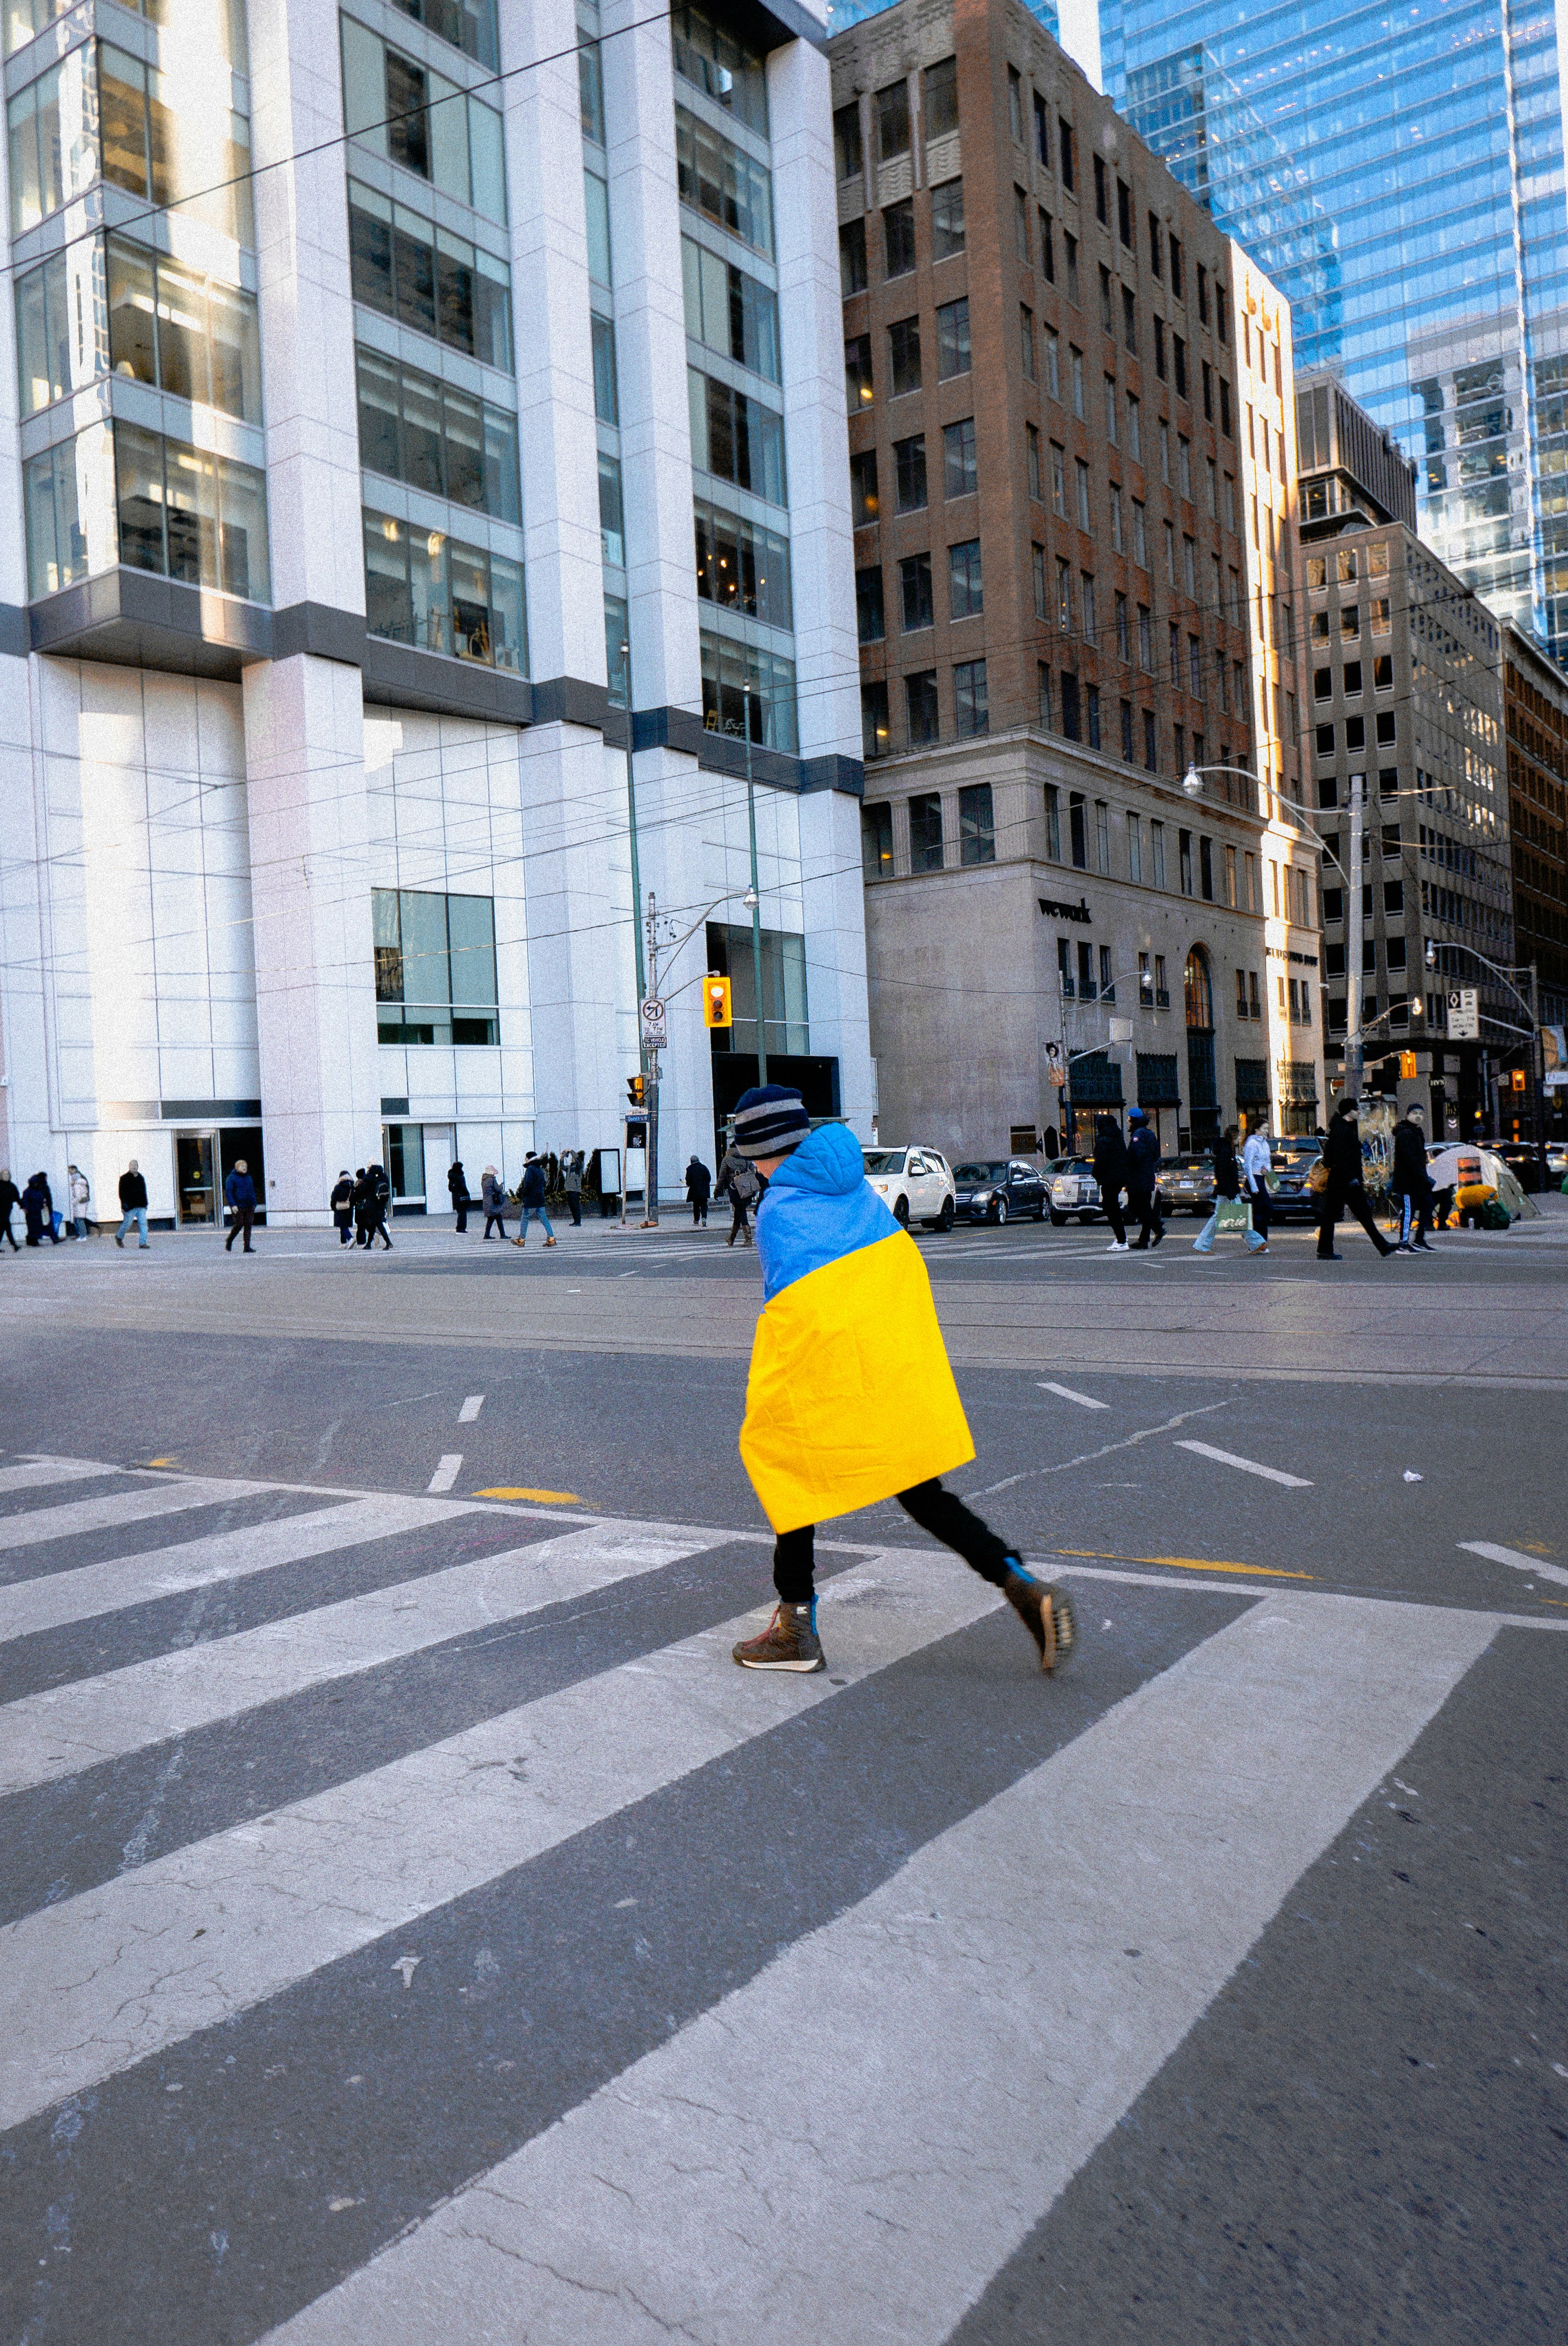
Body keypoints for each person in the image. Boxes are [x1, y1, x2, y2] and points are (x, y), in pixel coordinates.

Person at [727, 1084, 1077, 1677]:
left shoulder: (780, 1208)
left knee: (787, 1463)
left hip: (837, 1357)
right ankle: (1020, 1582)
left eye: (749, 1153)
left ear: (764, 1149)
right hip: (888, 1350)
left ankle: (796, 1628)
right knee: (919, 1488)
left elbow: (792, 1309)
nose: (750, 1165)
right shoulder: (852, 1182)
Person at [1317, 1097, 1397, 1261]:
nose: (1360, 1112)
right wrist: (1352, 1178)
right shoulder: (1341, 1130)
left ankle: (1382, 1246)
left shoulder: (1347, 1127)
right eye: (1357, 1109)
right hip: (1343, 1181)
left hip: (1346, 1180)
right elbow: (1340, 1157)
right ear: (1349, 1112)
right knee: (1334, 1215)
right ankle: (1325, 1250)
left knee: (1361, 1214)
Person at [1191, 1125, 1263, 1254]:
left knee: (1223, 1217)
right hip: (1228, 1191)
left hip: (1227, 1191)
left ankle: (1202, 1244)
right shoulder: (1226, 1152)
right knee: (1239, 1217)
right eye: (1239, 1135)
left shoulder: (1227, 1150)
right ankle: (1256, 1243)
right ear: (1233, 1136)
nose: (1240, 1138)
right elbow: (1222, 1173)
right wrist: (1230, 1190)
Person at [1390, 1103, 1435, 1253]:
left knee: (1428, 1205)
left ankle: (1419, 1239)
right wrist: (1424, 1178)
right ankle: (1403, 1243)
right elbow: (1410, 1160)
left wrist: (1424, 1178)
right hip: (1407, 1182)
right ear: (1408, 1114)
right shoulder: (1405, 1134)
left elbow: (1418, 1160)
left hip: (1418, 1181)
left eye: (1421, 1114)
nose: (1418, 1116)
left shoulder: (1416, 1132)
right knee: (1409, 1211)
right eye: (1415, 1113)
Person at [1125, 1108, 1163, 1249]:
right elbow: (1156, 1157)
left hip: (1137, 1177)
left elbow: (1136, 1155)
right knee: (1145, 1207)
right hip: (1148, 1176)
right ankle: (1143, 1240)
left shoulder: (1138, 1134)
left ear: (1133, 1120)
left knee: (1135, 1207)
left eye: (1129, 1119)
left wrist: (1127, 1162)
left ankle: (1158, 1227)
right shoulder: (1150, 1134)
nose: (1128, 1122)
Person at [1091, 1115, 1129, 1250]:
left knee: (1110, 1207)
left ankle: (1121, 1240)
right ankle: (1121, 1237)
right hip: (1119, 1177)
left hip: (1108, 1178)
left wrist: (1096, 1174)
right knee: (1111, 1207)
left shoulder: (1103, 1140)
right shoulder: (1119, 1138)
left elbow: (1100, 1162)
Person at [715, 1141, 760, 1246]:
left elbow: (722, 1176)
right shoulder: (746, 1158)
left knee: (741, 1212)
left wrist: (717, 1190)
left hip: (734, 1189)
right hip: (746, 1188)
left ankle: (748, 1239)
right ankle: (731, 1238)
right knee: (739, 1213)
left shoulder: (727, 1159)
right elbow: (753, 1171)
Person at [1240, 1126, 1273, 1255]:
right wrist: (1253, 1186)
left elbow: (1268, 1162)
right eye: (1264, 1128)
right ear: (1256, 1130)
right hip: (1254, 1179)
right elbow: (1247, 1165)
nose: (1267, 1130)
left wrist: (1267, 1170)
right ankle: (1255, 1241)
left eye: (1267, 1128)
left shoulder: (1265, 1143)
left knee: (1263, 1210)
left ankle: (1259, 1242)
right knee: (1265, 1208)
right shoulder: (1252, 1143)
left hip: (1262, 1178)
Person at [513, 1152, 557, 1247]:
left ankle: (521, 1239)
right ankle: (551, 1238)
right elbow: (544, 1184)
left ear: (529, 1159)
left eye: (526, 1158)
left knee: (525, 1219)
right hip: (540, 1199)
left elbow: (528, 1184)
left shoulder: (530, 1169)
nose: (525, 1159)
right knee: (544, 1219)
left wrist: (523, 1194)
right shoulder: (539, 1169)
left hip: (531, 1200)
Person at [223, 1157, 257, 1253]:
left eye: (246, 1166)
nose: (245, 1168)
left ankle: (247, 1247)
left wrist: (254, 1203)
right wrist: (233, 1205)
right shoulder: (232, 1178)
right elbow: (229, 1192)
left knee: (248, 1225)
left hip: (249, 1205)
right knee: (239, 1224)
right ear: (238, 1167)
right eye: (243, 1166)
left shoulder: (248, 1177)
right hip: (238, 1206)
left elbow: (252, 1191)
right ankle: (229, 1240)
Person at [115, 1160, 149, 1248]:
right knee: (127, 1224)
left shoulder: (141, 1178)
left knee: (144, 1224)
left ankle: (143, 1243)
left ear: (138, 1166)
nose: (134, 1167)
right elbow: (122, 1193)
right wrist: (124, 1205)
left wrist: (146, 1204)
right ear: (129, 1166)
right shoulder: (124, 1178)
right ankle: (119, 1237)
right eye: (132, 1165)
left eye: (135, 1165)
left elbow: (144, 1192)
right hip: (130, 1207)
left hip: (141, 1206)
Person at [361, 1162, 393, 1249]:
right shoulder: (384, 1177)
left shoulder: (368, 1179)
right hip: (381, 1203)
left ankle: (388, 1242)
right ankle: (368, 1244)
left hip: (372, 1205)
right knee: (373, 1224)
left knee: (378, 1224)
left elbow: (363, 1191)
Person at [22, 1172, 53, 1246]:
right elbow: (25, 1201)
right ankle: (33, 1241)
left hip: (38, 1211)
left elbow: (42, 1199)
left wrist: (44, 1204)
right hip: (32, 1211)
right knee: (32, 1227)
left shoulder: (37, 1191)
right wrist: (26, 1208)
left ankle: (32, 1241)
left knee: (36, 1226)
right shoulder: (28, 1191)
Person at [480, 1165, 509, 1241]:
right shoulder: (492, 1180)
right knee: (498, 1217)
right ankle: (502, 1235)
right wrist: (501, 1186)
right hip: (493, 1202)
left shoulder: (484, 1180)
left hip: (487, 1202)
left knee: (491, 1219)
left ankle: (487, 1235)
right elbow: (498, 1189)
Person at [685, 1153, 712, 1228]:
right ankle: (704, 1218)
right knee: (704, 1204)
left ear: (691, 1161)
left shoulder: (690, 1169)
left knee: (696, 1205)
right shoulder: (704, 1167)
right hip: (704, 1190)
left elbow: (688, 1182)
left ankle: (696, 1220)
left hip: (694, 1191)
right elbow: (709, 1178)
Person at [331, 1169, 355, 1244]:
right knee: (344, 1225)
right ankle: (343, 1243)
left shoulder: (339, 1186)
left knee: (342, 1225)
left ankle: (350, 1238)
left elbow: (334, 1197)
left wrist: (333, 1207)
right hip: (349, 1208)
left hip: (340, 1208)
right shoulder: (352, 1187)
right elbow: (354, 1198)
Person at [66, 1164, 90, 1238]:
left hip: (80, 1202)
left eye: (70, 1171)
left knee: (79, 1219)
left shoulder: (78, 1182)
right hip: (82, 1201)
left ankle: (83, 1235)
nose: (69, 1173)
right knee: (78, 1219)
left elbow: (78, 1194)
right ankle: (81, 1234)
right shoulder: (79, 1180)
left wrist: (75, 1201)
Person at [447, 1159, 471, 1234]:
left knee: (460, 1213)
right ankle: (461, 1229)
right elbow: (464, 1188)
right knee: (463, 1214)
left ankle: (459, 1228)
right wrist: (468, 1194)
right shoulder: (460, 1177)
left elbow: (450, 1189)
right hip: (462, 1198)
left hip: (455, 1198)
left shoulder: (451, 1178)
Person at [562, 1149, 584, 1228]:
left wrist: (571, 1151)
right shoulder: (569, 1167)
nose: (572, 1159)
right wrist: (562, 1158)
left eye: (573, 1158)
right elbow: (562, 1166)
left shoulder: (579, 1166)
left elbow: (578, 1159)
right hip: (569, 1189)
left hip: (575, 1189)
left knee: (576, 1206)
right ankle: (575, 1220)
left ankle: (578, 1221)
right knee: (572, 1206)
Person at [0, 1169, 19, 1253]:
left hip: (7, 1210)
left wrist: (23, 1205)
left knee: (3, 1228)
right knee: (6, 1226)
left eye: (7, 1175)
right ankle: (14, 1245)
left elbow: (17, 1197)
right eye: (4, 1175)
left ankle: (14, 1245)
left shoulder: (12, 1186)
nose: (6, 1176)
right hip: (1, 1211)